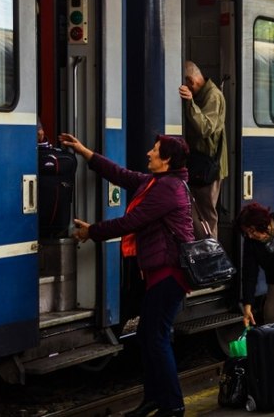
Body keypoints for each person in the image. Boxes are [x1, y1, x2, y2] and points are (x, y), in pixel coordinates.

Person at [62, 133, 194, 417]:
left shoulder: (168, 189)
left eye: (155, 150)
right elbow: (120, 175)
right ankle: (153, 399)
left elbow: (130, 222)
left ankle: (173, 405)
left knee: (156, 337)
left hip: (169, 273)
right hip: (158, 271)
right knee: (148, 337)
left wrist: (91, 232)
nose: (148, 152)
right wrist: (85, 152)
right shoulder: (154, 182)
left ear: (167, 159)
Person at [180, 60, 227, 240]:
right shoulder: (203, 94)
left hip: (208, 167)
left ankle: (210, 256)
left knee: (206, 217)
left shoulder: (213, 96)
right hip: (199, 164)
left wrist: (190, 104)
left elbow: (205, 128)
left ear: (191, 81)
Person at [237, 203, 274, 327]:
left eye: (252, 231)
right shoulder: (251, 242)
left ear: (263, 224)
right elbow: (249, 273)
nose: (250, 236)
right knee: (272, 316)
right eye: (247, 233)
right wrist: (248, 306)